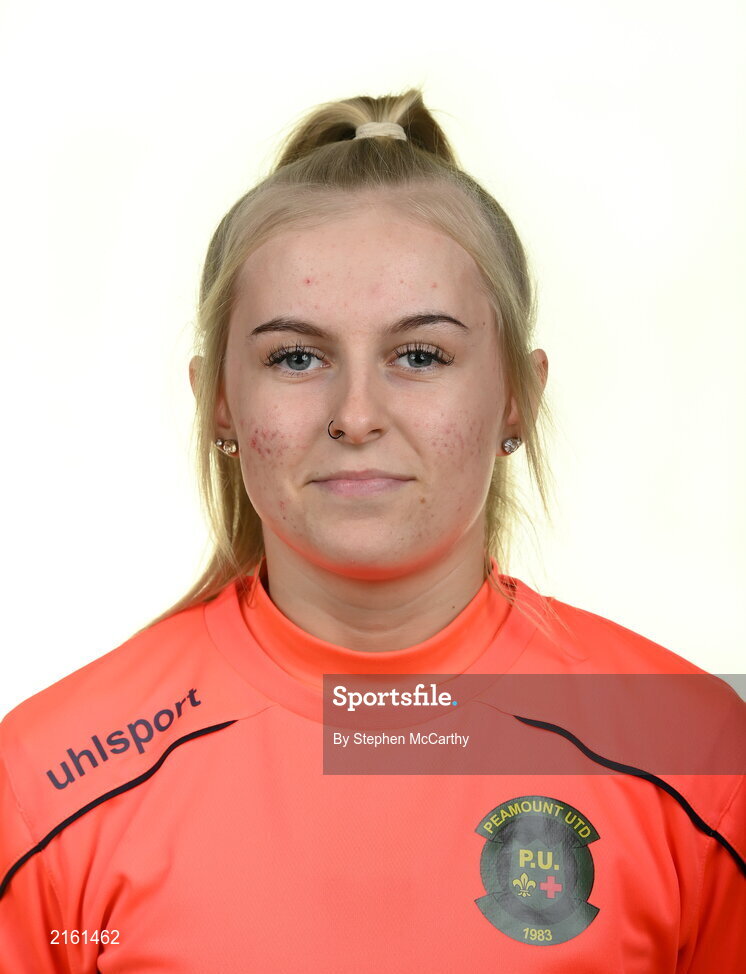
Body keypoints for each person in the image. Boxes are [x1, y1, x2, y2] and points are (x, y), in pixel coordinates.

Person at [0, 88, 743, 973]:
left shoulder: (696, 751)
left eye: (420, 355)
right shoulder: (49, 780)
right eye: (296, 357)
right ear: (219, 404)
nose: (356, 413)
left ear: (518, 395)